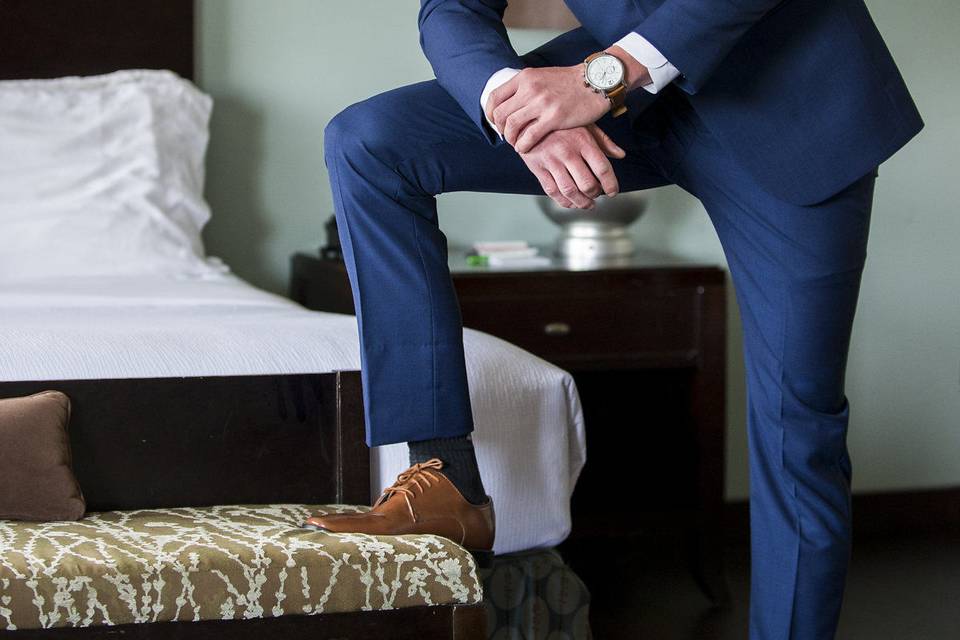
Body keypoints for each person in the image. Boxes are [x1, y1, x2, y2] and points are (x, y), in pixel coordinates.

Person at [303, 1, 922, 637]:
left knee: (800, 427)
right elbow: (450, 7)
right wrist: (521, 110)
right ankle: (444, 481)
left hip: (789, 92)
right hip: (625, 95)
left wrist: (601, 76)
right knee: (370, 141)